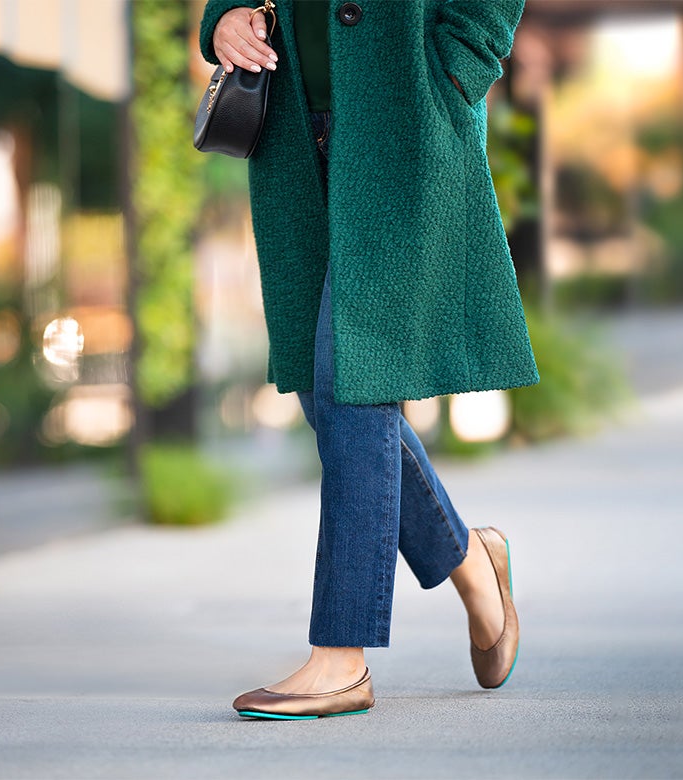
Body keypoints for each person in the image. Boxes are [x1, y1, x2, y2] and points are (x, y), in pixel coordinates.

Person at [199, 0, 538, 720]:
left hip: (406, 116)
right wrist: (222, 15)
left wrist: (462, 61)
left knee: (352, 387)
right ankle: (475, 564)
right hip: (294, 128)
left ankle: (341, 658)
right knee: (330, 392)